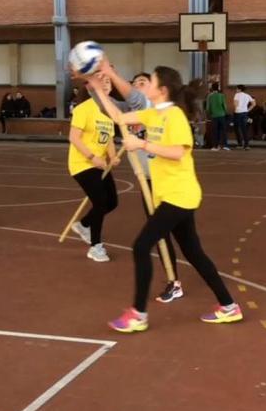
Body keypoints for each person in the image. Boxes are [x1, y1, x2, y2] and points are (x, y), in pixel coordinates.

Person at [93, 66, 244, 332]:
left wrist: (142, 145)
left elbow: (178, 152)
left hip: (180, 195)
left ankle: (138, 314)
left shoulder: (174, 115)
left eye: (149, 82)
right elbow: (118, 116)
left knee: (141, 246)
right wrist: (97, 88)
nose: (145, 85)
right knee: (194, 253)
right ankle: (229, 306)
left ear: (162, 90)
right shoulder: (153, 114)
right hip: (171, 196)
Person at [95, 65, 182, 301]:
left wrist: (110, 73)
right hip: (148, 182)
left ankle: (177, 286)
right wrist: (98, 87)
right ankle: (175, 281)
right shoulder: (134, 109)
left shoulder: (149, 106)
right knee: (167, 236)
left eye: (144, 82)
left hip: (167, 183)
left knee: (167, 238)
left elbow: (134, 98)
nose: (138, 87)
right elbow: (109, 109)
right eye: (136, 84)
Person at [66, 73, 122, 263]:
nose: (106, 84)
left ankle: (84, 224)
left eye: (108, 82)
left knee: (112, 202)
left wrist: (113, 157)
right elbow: (74, 138)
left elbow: (109, 139)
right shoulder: (84, 109)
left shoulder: (109, 110)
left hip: (100, 164)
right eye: (101, 82)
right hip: (82, 164)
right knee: (100, 202)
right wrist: (92, 157)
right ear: (91, 87)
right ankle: (95, 247)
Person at [205, 82, 229, 150]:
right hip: (222, 115)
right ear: (218, 88)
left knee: (215, 131)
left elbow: (207, 108)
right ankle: (225, 145)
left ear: (212, 88)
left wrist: (210, 114)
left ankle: (215, 146)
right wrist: (225, 112)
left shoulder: (209, 96)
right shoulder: (221, 95)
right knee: (223, 131)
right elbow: (224, 106)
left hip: (214, 116)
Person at [232, 85, 254, 149]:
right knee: (244, 129)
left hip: (238, 113)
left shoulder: (237, 95)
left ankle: (240, 144)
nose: (236, 90)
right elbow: (254, 104)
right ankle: (246, 145)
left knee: (236, 128)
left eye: (237, 89)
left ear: (239, 89)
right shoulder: (247, 95)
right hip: (245, 113)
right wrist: (247, 110)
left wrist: (236, 108)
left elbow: (235, 104)